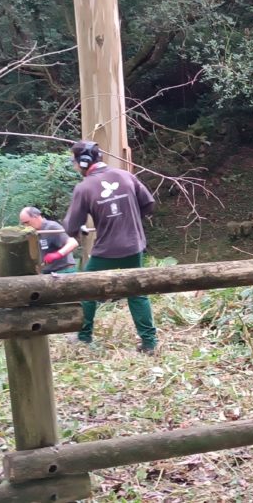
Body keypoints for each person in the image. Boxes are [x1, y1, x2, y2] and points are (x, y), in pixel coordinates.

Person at [61, 140, 159, 354]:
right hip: (134, 245)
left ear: (84, 162)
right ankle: (150, 343)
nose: (76, 167)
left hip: (107, 249)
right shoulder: (125, 175)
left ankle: (84, 337)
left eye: (75, 163)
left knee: (88, 290)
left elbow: (70, 226)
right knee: (137, 293)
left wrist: (80, 230)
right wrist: (129, 220)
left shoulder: (84, 187)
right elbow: (149, 203)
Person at [19, 206, 78, 274]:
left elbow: (73, 243)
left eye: (27, 222)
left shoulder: (51, 227)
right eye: (24, 223)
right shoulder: (34, 233)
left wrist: (57, 254)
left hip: (64, 270)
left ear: (36, 217)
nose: (26, 226)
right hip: (48, 273)